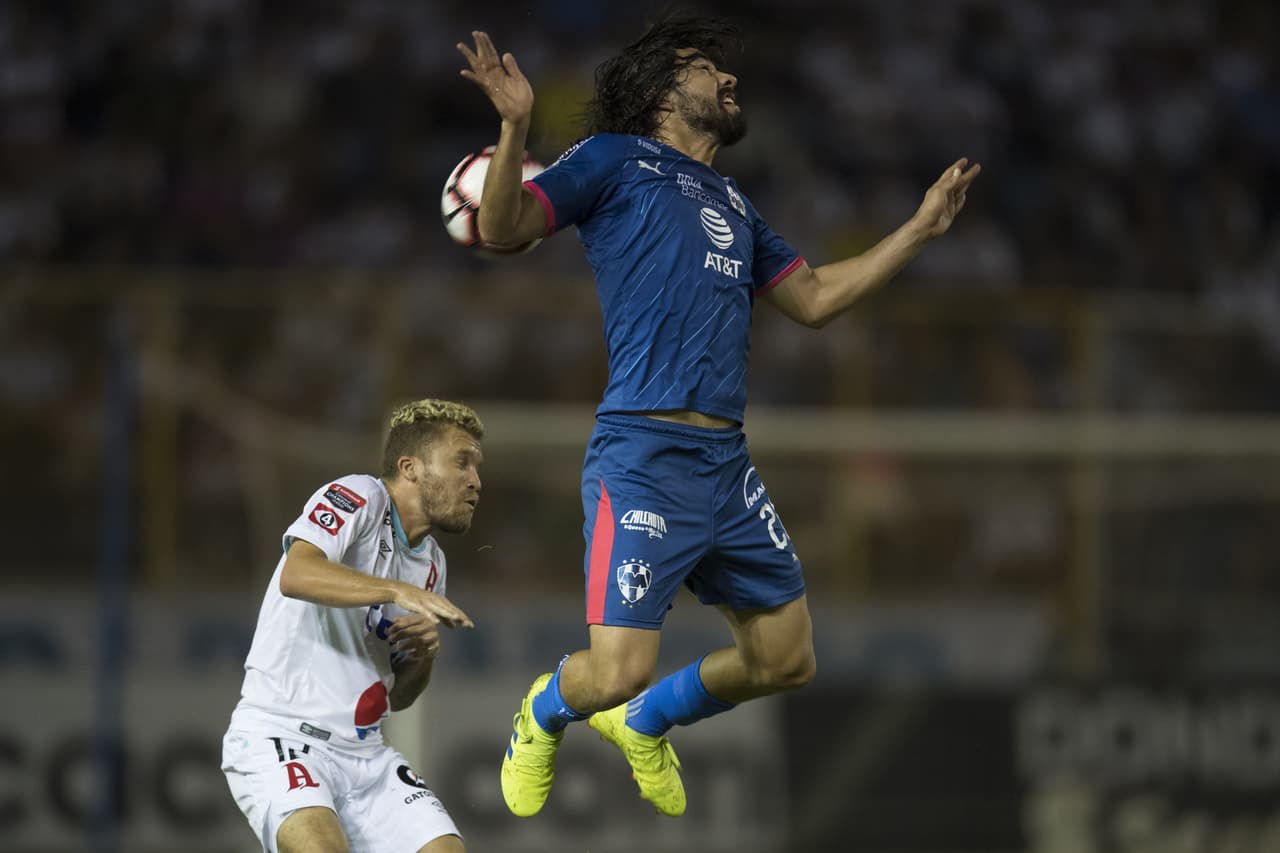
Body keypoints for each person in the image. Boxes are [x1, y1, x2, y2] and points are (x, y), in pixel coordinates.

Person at [456, 13, 981, 819]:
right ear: (664, 92)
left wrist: (918, 230)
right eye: (707, 69)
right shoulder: (611, 161)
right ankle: (545, 709)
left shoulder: (734, 200)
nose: (729, 79)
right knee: (617, 666)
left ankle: (647, 721)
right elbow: (498, 228)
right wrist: (515, 123)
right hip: (644, 455)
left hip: (726, 466)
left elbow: (813, 300)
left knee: (786, 658)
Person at [221, 399, 483, 852]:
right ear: (411, 467)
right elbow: (296, 574)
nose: (476, 481)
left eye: (477, 467)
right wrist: (395, 591)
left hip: (366, 755)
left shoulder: (432, 565)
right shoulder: (359, 496)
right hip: (281, 735)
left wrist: (422, 660)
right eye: (462, 462)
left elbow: (399, 697)